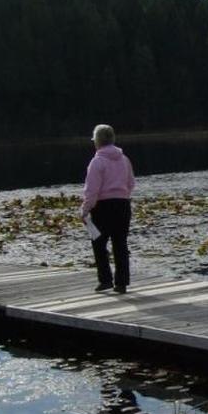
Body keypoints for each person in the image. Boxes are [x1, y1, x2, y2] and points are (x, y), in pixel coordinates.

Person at [81, 124, 135, 293]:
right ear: (112, 139)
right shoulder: (124, 159)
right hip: (123, 205)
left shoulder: (97, 162)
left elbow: (91, 191)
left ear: (97, 141)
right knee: (120, 243)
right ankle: (122, 283)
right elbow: (131, 184)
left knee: (98, 243)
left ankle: (105, 280)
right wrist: (121, 195)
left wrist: (84, 210)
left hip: (102, 207)